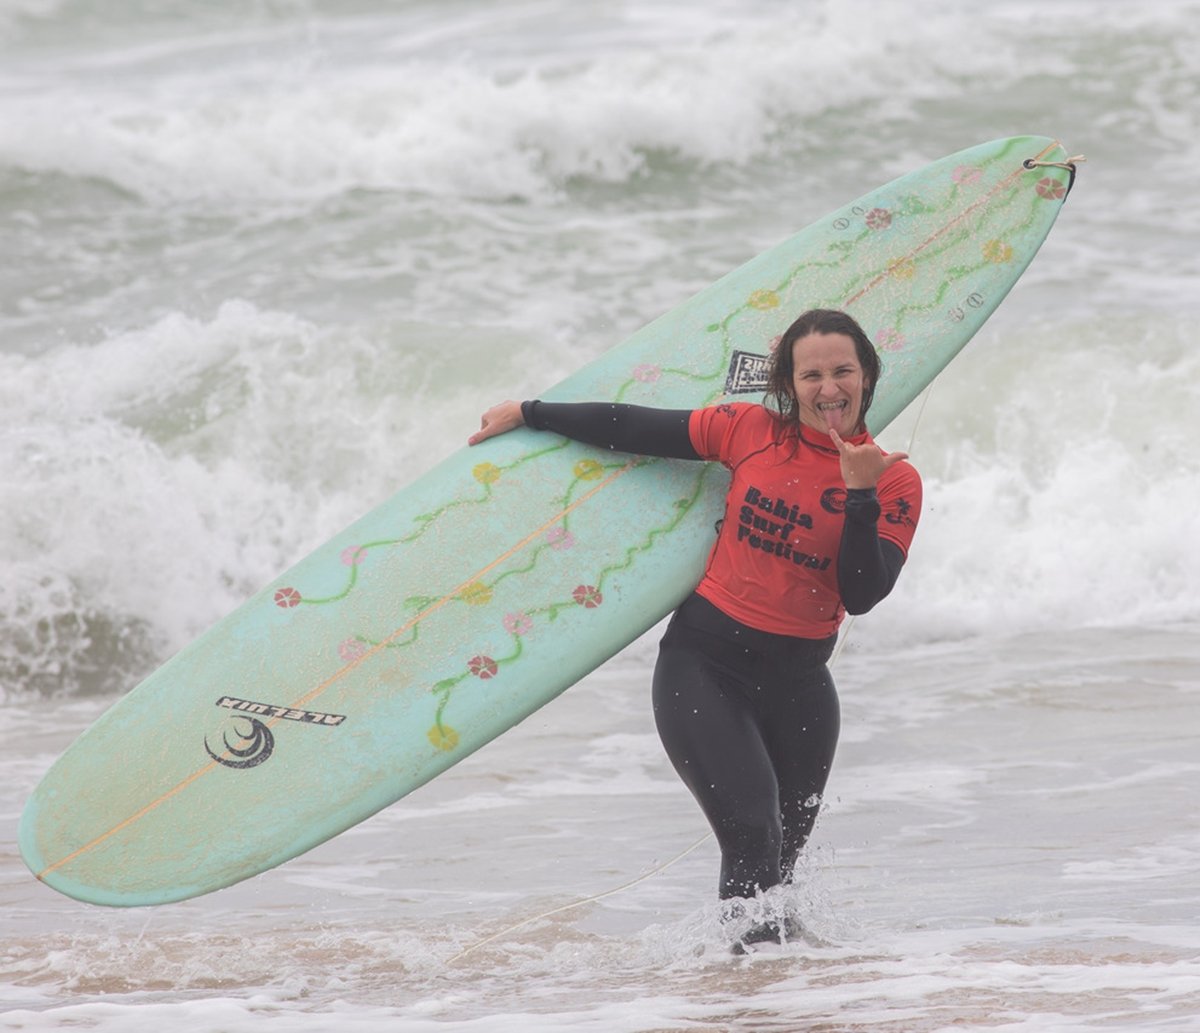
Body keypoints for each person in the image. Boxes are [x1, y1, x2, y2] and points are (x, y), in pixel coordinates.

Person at [468, 308, 921, 952]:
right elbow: (634, 427)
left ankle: (775, 1002)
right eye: (811, 374)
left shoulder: (894, 480)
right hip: (706, 668)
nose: (829, 388)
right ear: (788, 384)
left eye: (843, 370)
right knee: (753, 835)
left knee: (784, 866)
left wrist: (860, 496)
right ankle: (749, 992)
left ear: (867, 375)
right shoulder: (749, 430)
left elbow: (863, 592)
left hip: (803, 683)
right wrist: (532, 411)